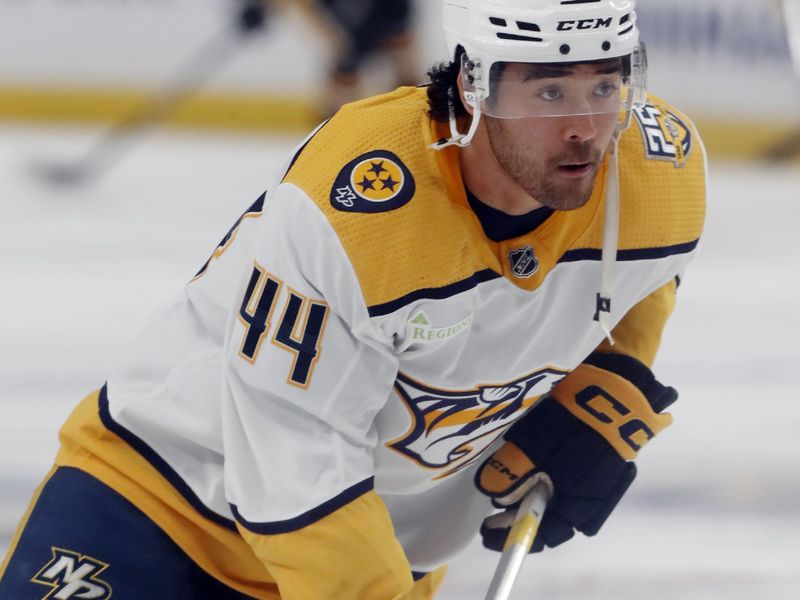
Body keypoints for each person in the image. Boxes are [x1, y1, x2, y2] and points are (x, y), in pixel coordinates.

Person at [0, 0, 706, 598]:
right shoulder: (358, 213)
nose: (585, 126)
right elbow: (293, 473)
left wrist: (610, 376)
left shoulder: (657, 176)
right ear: (472, 88)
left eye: (605, 86)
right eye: (549, 93)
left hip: (390, 546)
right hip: (160, 500)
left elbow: (643, 275)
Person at [240, 0, 420, 119]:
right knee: (345, 63)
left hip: (382, 11)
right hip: (337, 12)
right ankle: (332, 125)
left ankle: (408, 113)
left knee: (399, 51)